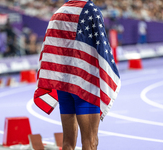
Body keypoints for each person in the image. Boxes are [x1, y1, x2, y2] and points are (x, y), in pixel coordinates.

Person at [33, 0, 121, 150]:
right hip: (85, 84)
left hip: (64, 83)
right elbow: (102, 47)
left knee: (67, 142)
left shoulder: (57, 13)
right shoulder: (92, 10)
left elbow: (49, 50)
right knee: (90, 141)